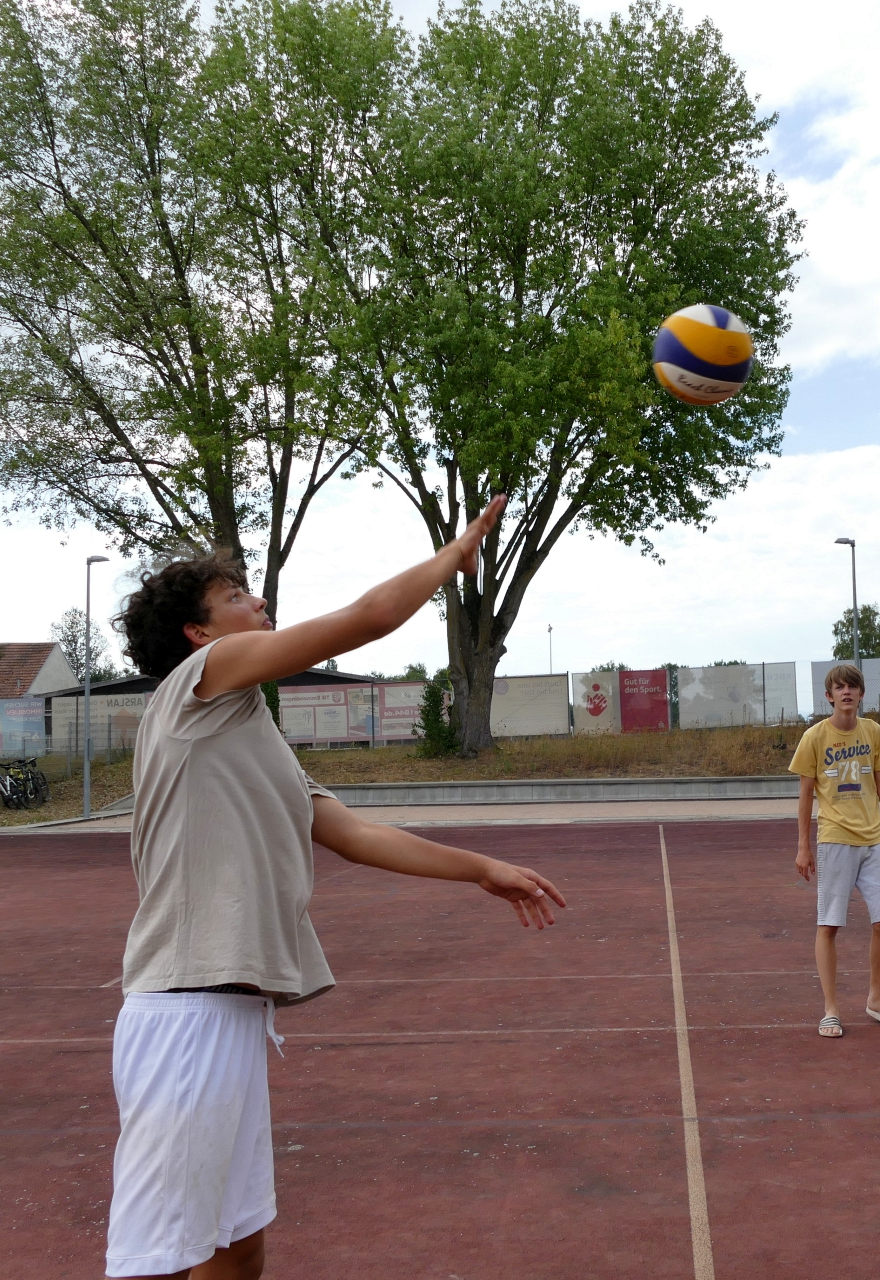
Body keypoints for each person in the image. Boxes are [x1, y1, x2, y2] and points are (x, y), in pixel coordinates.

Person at [103, 495, 567, 1280]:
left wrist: (482, 869)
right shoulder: (199, 681)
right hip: (184, 1011)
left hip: (230, 1010)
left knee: (238, 1248)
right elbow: (369, 619)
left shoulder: (247, 733)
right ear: (198, 633)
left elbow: (353, 834)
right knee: (162, 1258)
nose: (258, 601)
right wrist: (451, 559)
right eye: (236, 596)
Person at [789, 663, 880, 1039]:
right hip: (835, 839)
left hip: (874, 840)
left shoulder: (872, 731)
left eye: (852, 687)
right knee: (829, 925)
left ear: (860, 694)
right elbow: (805, 795)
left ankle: (877, 1000)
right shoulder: (814, 737)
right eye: (839, 688)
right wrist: (803, 846)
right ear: (829, 696)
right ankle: (830, 1009)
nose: (846, 692)